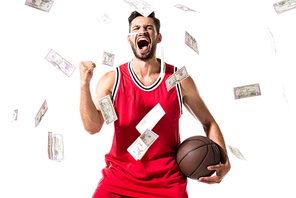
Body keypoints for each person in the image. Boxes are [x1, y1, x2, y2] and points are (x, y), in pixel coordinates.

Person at [79, 11, 230, 198]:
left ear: (158, 38)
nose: (142, 31)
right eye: (136, 28)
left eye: (148, 28)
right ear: (129, 38)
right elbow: (92, 127)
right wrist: (84, 85)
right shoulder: (113, 81)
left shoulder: (177, 79)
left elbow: (209, 122)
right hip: (119, 178)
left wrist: (225, 159)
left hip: (168, 182)